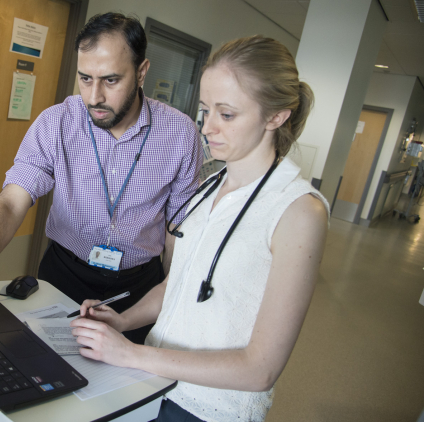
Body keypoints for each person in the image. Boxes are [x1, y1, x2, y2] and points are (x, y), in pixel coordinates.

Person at [70, 35, 329, 422]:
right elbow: (179, 284)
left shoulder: (297, 211)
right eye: (205, 110)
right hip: (155, 384)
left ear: (276, 116)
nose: (207, 128)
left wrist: (130, 352)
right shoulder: (210, 187)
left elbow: (261, 369)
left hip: (209, 409)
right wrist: (123, 321)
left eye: (227, 114)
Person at [0, 13, 202, 344]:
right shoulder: (57, 123)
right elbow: (12, 201)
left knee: (126, 389)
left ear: (141, 72)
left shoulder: (180, 134)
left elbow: (177, 229)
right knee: (46, 374)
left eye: (110, 80)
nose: (94, 97)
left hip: (138, 289)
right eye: (85, 79)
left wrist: (172, 294)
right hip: (64, 276)